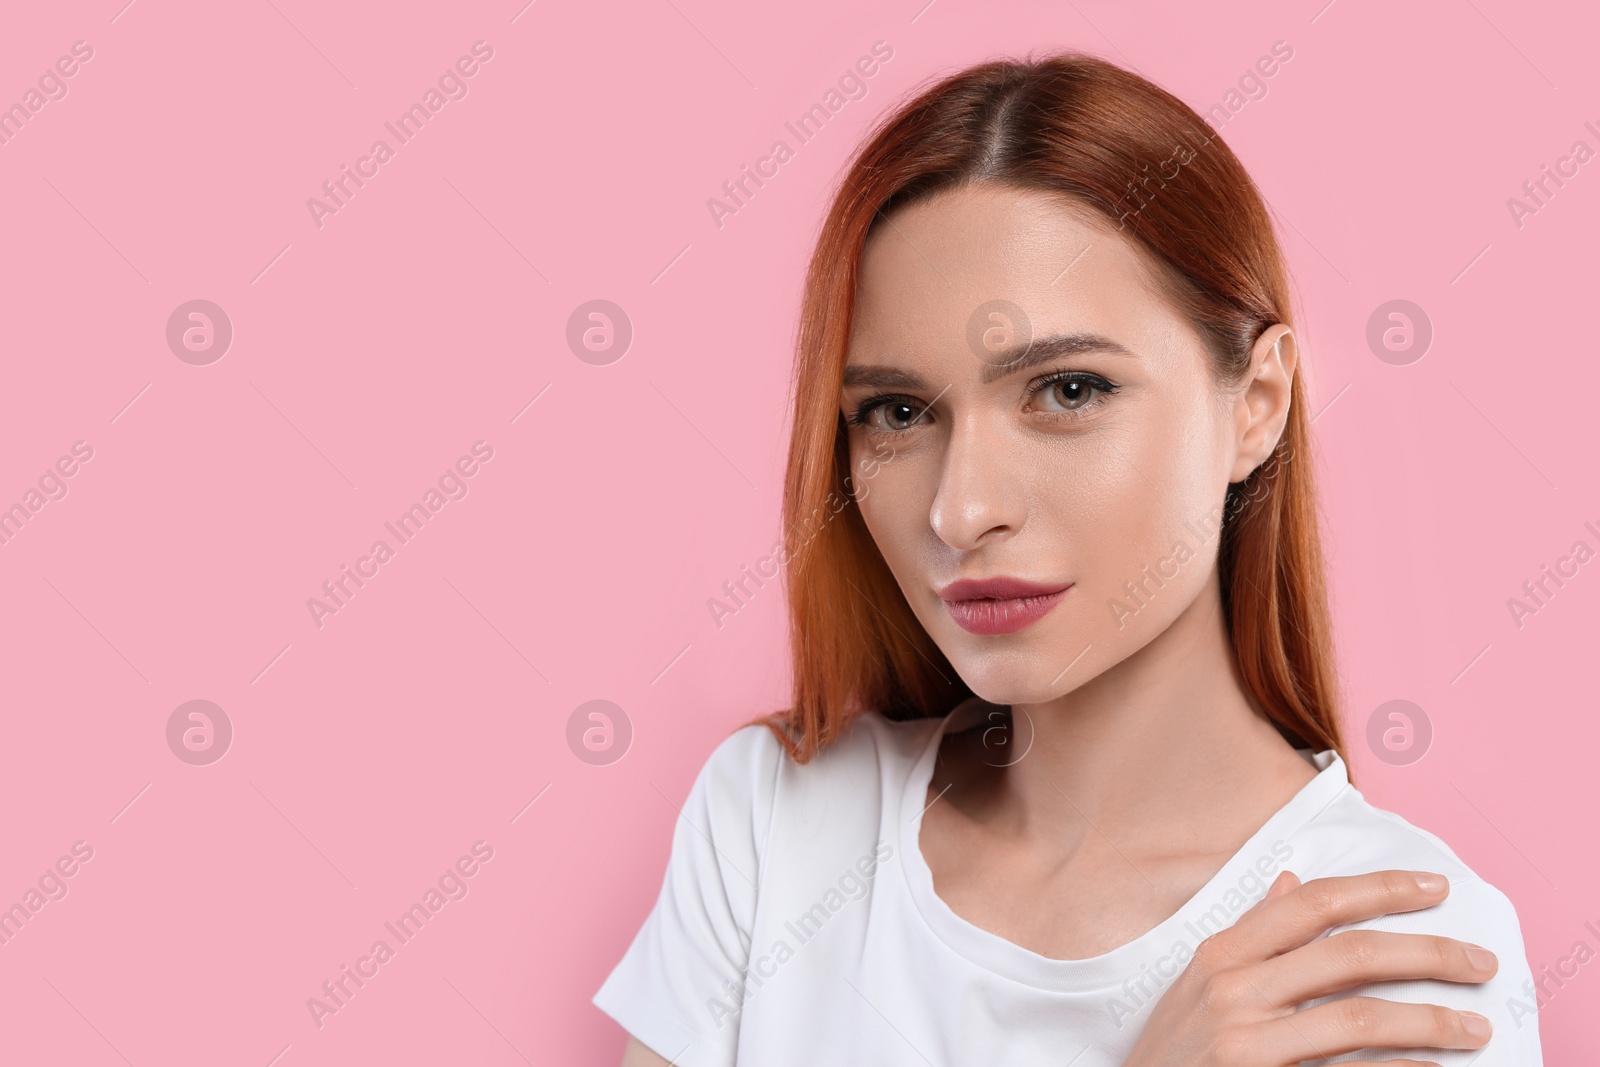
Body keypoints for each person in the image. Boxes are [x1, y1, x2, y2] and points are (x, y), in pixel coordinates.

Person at [593, 51, 1544, 1066]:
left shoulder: (1383, 956)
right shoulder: (775, 823)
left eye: (1067, 390)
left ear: (1255, 404)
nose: (961, 509)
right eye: (897, 412)